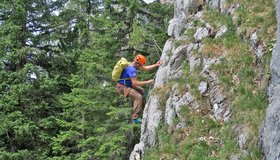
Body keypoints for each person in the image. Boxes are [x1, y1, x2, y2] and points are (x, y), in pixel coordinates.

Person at [116, 54, 161, 124]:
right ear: (137, 64)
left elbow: (145, 68)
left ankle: (144, 108)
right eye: (140, 65)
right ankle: (135, 118)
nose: (141, 67)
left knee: (142, 91)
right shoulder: (132, 70)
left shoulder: (133, 65)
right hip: (122, 87)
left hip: (126, 84)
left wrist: (155, 65)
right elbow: (135, 83)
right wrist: (148, 82)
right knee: (138, 97)